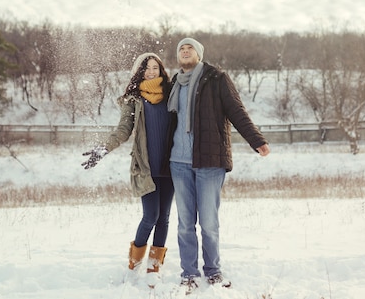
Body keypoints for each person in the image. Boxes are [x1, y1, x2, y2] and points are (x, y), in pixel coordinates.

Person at [162, 38, 270, 292]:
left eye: (189, 48)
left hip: (209, 161)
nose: (185, 51)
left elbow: (236, 110)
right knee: (185, 223)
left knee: (209, 222)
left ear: (198, 54)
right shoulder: (174, 84)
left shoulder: (216, 78)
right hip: (178, 161)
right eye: (181, 48)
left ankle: (213, 271)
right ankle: (189, 273)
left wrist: (256, 140)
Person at [81, 53, 174, 282]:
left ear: (161, 70)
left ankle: (154, 269)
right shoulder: (134, 100)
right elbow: (123, 130)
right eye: (147, 68)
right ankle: (134, 264)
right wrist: (103, 149)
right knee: (150, 216)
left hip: (171, 167)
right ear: (139, 72)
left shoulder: (172, 96)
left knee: (164, 218)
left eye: (155, 67)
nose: (151, 71)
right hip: (146, 167)